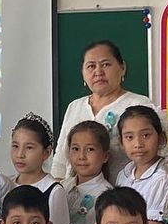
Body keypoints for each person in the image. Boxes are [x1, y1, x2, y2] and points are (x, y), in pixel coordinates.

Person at [51, 40, 157, 180]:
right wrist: (56, 189)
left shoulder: (139, 104)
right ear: (82, 73)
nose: (98, 72)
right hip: (72, 189)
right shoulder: (75, 106)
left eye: (105, 64)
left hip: (122, 190)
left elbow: (157, 156)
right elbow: (60, 160)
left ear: (122, 68)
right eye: (91, 66)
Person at [4, 113, 72, 224]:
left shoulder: (53, 191)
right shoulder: (6, 184)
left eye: (29, 148)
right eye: (15, 146)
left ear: (46, 152)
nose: (20, 154)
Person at [115, 105, 168, 224]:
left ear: (161, 138)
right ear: (121, 143)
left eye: (146, 135)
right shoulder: (123, 175)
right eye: (129, 137)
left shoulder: (162, 179)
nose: (138, 144)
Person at [64, 120, 114, 224]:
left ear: (105, 156)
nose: (81, 156)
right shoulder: (63, 187)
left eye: (90, 149)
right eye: (75, 149)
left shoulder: (107, 195)